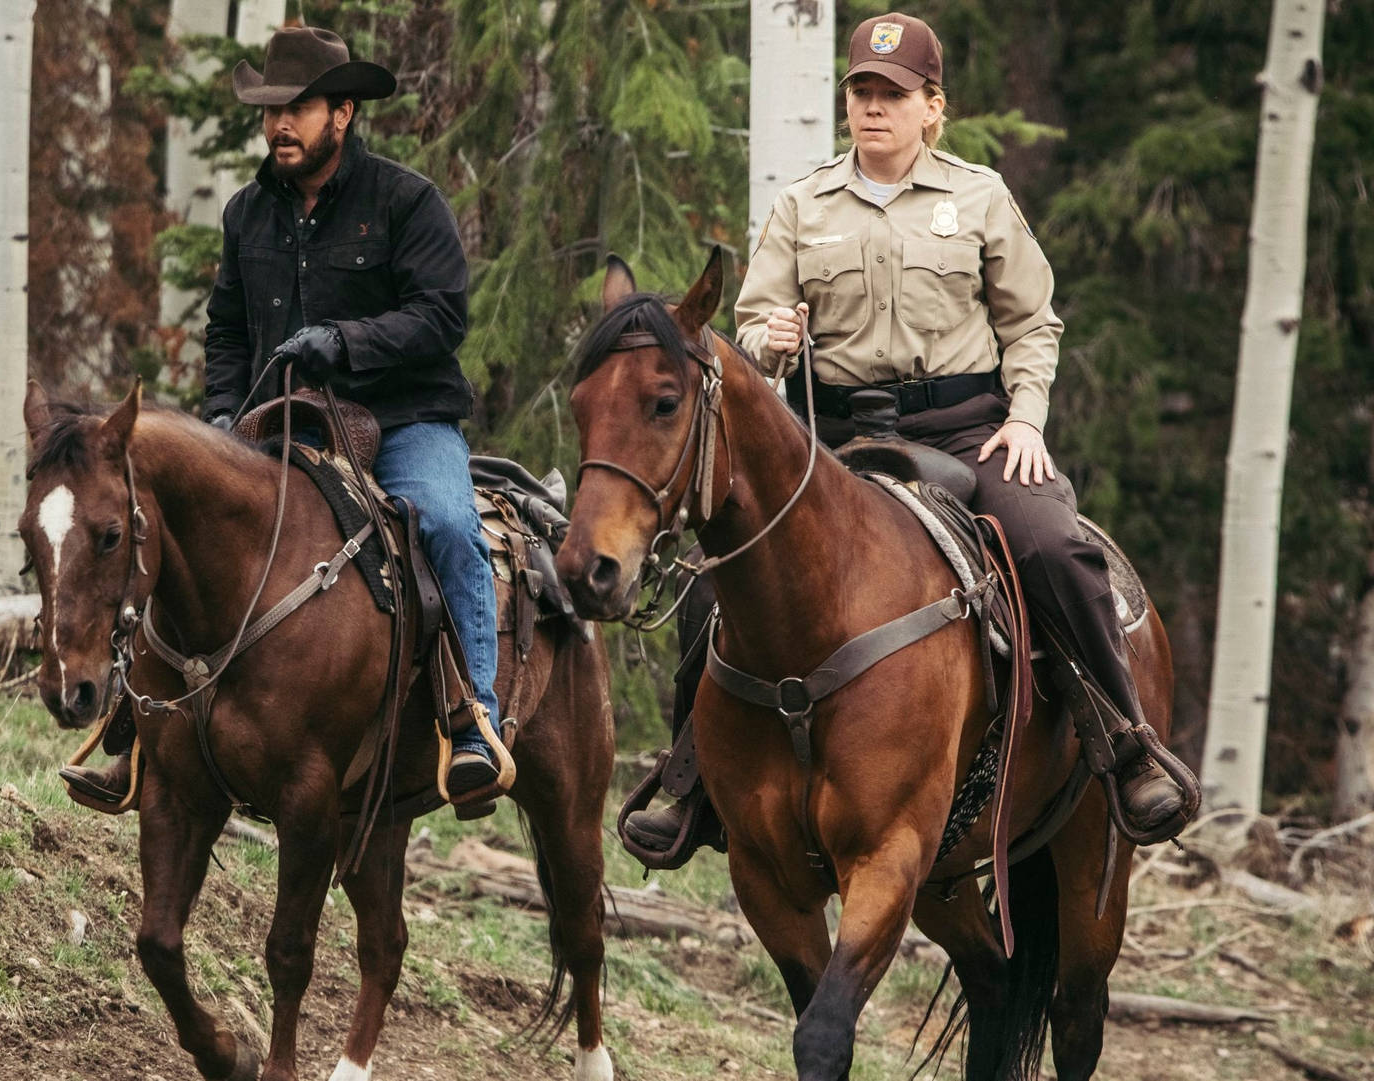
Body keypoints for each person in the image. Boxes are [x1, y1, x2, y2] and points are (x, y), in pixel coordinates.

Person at [622, 11, 1189, 861]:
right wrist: (771, 344)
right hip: (835, 437)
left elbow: (1034, 324)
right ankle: (690, 778)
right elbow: (750, 333)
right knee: (721, 572)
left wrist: (1026, 419)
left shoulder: (980, 196)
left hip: (966, 431)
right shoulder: (802, 205)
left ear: (934, 108)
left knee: (1052, 544)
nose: (874, 107)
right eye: (862, 91)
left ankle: (1125, 743)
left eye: (894, 93)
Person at [63, 27, 508, 808]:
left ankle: (471, 721)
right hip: (280, 425)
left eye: (297, 108)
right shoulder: (247, 214)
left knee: (444, 522)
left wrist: (347, 342)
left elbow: (441, 317)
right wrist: (224, 417)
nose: (278, 125)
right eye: (270, 111)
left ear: (343, 113)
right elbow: (228, 330)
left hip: (402, 419)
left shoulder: (406, 201)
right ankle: (136, 733)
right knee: (179, 530)